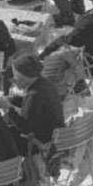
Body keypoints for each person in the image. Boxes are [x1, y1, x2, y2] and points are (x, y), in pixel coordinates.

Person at [6, 50, 65, 179]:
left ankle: (8, 176)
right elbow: (33, 107)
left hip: (37, 143)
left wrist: (8, 110)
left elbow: (25, 128)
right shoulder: (45, 84)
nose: (14, 79)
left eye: (15, 75)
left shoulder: (34, 95)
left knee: (1, 134)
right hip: (53, 137)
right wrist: (13, 101)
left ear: (23, 76)